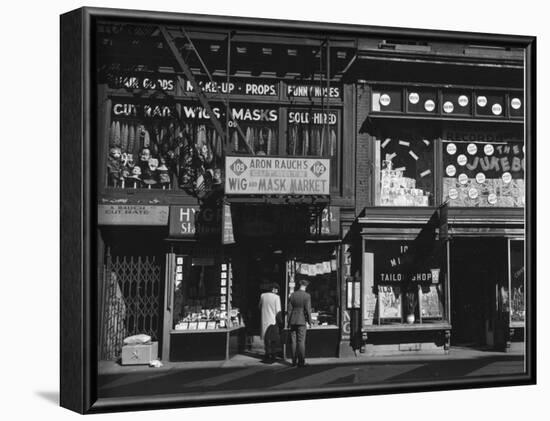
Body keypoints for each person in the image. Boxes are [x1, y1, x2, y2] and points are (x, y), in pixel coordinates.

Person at [287, 279, 312, 367]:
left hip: (293, 321)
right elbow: (308, 310)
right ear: (305, 286)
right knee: (301, 341)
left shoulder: (292, 295)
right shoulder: (307, 296)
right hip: (301, 321)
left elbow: (289, 310)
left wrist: (288, 322)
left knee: (293, 341)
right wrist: (310, 321)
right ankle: (301, 362)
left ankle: (293, 362)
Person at [258, 282, 282, 363]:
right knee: (273, 339)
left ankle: (267, 353)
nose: (277, 291)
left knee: (266, 339)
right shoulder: (276, 297)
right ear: (274, 289)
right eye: (277, 289)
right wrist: (281, 321)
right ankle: (273, 354)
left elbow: (259, 306)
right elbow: (278, 311)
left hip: (264, 320)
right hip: (273, 321)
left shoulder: (262, 295)